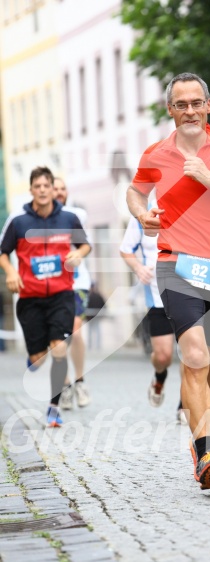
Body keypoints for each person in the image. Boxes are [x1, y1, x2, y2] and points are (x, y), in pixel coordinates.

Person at [126, 72, 210, 490]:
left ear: (208, 106)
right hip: (177, 264)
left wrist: (209, 177)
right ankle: (204, 452)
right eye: (180, 104)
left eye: (196, 103)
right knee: (196, 355)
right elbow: (135, 191)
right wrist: (141, 213)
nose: (189, 111)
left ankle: (207, 440)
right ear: (170, 109)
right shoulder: (156, 153)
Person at [0, 166, 91, 426]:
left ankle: (54, 406)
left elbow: (85, 244)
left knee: (59, 348)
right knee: (39, 358)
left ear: (53, 189)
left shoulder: (69, 218)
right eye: (37, 186)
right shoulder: (19, 222)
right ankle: (34, 357)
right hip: (30, 297)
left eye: (46, 186)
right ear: (31, 190)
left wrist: (79, 254)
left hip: (62, 294)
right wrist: (10, 272)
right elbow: (3, 252)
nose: (42, 190)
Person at [120, 214, 186, 423]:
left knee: (190, 353)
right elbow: (126, 249)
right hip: (157, 297)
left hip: (188, 294)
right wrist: (139, 268)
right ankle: (159, 376)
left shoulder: (190, 207)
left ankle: (185, 404)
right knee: (163, 356)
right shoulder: (144, 212)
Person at [53, 177, 91, 409]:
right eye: (53, 188)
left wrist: (77, 255)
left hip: (77, 282)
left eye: (61, 188)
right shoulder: (39, 220)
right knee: (58, 338)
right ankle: (65, 385)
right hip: (53, 284)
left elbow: (84, 244)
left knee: (75, 334)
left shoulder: (76, 215)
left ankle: (80, 380)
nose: (58, 192)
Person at [86, 282, 106, 350]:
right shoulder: (94, 296)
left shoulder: (89, 296)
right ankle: (94, 345)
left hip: (92, 316)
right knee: (94, 331)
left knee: (93, 331)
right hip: (92, 316)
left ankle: (94, 346)